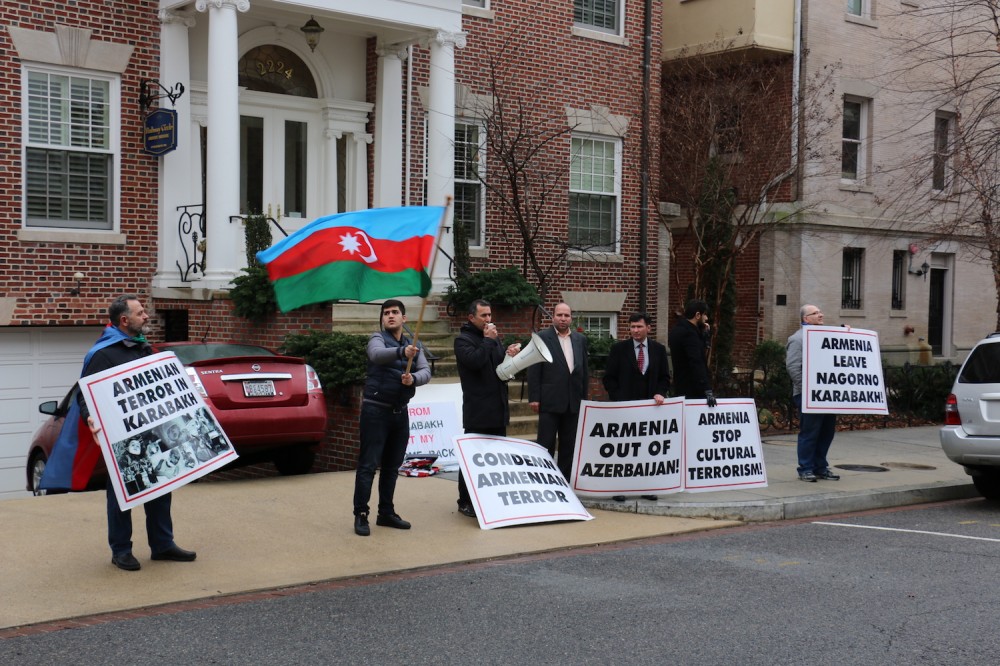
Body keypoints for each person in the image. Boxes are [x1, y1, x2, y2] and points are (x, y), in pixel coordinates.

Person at [79, 294, 196, 571]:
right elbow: (85, 395)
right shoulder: (102, 354)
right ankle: (121, 550)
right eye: (140, 313)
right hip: (122, 439)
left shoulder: (144, 348)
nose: (146, 316)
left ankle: (163, 544)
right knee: (122, 494)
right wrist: (90, 417)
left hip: (152, 433)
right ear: (124, 319)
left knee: (161, 486)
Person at [353, 299, 431, 536]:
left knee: (391, 467)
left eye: (395, 312)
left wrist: (413, 379)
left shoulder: (413, 344)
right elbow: (376, 355)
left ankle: (386, 512)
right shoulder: (377, 338)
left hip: (400, 412)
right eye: (386, 313)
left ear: (403, 318)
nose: (390, 316)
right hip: (375, 411)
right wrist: (400, 352)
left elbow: (426, 371)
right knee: (368, 465)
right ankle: (361, 514)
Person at [454, 299, 520, 518]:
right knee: (472, 458)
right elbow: (475, 361)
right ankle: (465, 500)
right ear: (471, 317)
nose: (488, 319)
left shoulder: (492, 338)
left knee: (497, 457)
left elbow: (498, 367)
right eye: (483, 315)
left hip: (498, 406)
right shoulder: (462, 340)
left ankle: (491, 497)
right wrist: (489, 341)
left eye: (490, 315)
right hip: (478, 409)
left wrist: (508, 354)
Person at [528, 302, 589, 480]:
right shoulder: (541, 337)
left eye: (566, 315)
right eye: (559, 315)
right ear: (553, 316)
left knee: (569, 445)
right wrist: (534, 397)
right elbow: (534, 368)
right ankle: (543, 479)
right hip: (549, 401)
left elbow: (584, 371)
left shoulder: (580, 339)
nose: (563, 319)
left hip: (573, 402)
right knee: (545, 443)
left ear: (571, 318)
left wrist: (584, 399)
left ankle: (564, 482)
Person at [786, 304, 841, 482]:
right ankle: (806, 468)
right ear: (806, 319)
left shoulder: (825, 336)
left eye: (820, 312)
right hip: (807, 395)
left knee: (826, 433)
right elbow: (793, 367)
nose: (820, 315)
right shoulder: (797, 339)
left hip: (828, 396)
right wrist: (809, 390)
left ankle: (820, 467)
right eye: (815, 313)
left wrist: (846, 332)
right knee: (810, 433)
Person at [603, 313, 671, 404]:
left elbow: (664, 377)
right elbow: (609, 378)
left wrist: (660, 393)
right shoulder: (618, 349)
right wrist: (618, 397)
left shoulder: (659, 349)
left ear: (648, 328)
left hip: (652, 404)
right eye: (633, 327)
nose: (635, 330)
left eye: (639, 327)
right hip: (626, 404)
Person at [668, 299, 717, 407]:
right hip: (693, 389)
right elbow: (696, 361)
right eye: (705, 315)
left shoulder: (677, 329)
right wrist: (706, 389)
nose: (706, 318)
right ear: (697, 315)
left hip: (680, 385)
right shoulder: (690, 334)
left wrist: (703, 335)